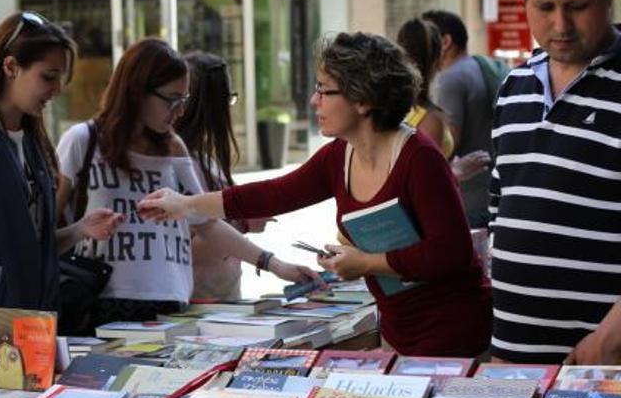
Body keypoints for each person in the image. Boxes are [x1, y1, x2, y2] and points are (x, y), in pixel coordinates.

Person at [139, 32, 493, 357]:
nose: (313, 101)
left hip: (454, 331)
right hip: (398, 332)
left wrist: (366, 262)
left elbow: (452, 253)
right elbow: (274, 193)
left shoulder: (420, 158)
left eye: (324, 90)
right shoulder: (340, 154)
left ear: (363, 98)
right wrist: (185, 205)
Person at [56, 38, 316, 324]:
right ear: (137, 92)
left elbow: (206, 222)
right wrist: (82, 229)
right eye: (173, 100)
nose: (180, 111)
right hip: (96, 300)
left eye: (185, 100)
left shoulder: (174, 147)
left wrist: (274, 264)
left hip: (169, 302)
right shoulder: (82, 141)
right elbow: (45, 232)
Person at [0, 12, 124, 365]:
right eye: (48, 77)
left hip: (32, 328)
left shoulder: (31, 140)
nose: (56, 89)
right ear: (11, 67)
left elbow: (28, 247)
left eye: (60, 78)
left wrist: (79, 230)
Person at [490, 0, 621, 364]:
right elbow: (501, 211)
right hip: (514, 357)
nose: (560, 24)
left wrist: (607, 342)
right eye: (544, 7)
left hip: (602, 364)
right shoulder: (513, 87)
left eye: (577, 7)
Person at [174, 51, 271, 299]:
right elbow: (182, 247)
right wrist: (241, 223)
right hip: (198, 300)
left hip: (223, 296)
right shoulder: (179, 164)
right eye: (227, 100)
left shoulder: (206, 159)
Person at [421, 9, 495, 227]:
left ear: (445, 41)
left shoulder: (450, 79)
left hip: (466, 200)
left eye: (427, 39)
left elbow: (445, 145)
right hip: (487, 192)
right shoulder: (479, 67)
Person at [396, 18, 454, 158]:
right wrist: (458, 171)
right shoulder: (429, 121)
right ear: (437, 60)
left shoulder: (385, 108)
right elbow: (427, 177)